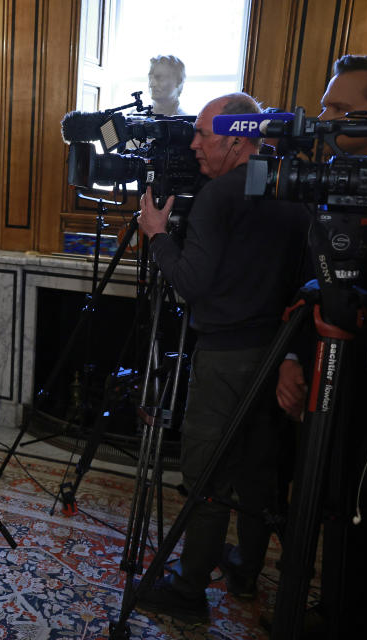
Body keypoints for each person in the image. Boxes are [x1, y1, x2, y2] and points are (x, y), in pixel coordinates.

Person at [133, 92, 309, 623]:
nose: (192, 143)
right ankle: (246, 569)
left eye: (203, 133)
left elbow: (188, 285)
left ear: (236, 138)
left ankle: (187, 592)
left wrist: (159, 236)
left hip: (226, 357)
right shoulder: (292, 188)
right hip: (276, 355)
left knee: (206, 475)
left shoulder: (217, 197)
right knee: (258, 472)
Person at [274, 54, 367, 640]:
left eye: (339, 110)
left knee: (363, 509)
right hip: (330, 375)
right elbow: (319, 277)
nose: (322, 121)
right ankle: (326, 604)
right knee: (328, 497)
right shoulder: (329, 182)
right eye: (323, 105)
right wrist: (298, 354)